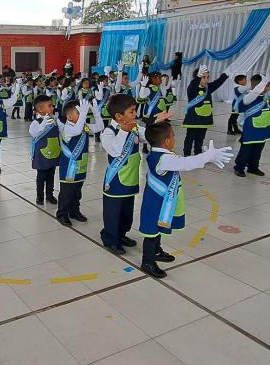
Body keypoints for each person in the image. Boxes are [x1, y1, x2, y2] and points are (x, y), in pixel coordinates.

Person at [139, 121, 233, 277]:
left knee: (157, 229)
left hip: (159, 201)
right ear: (167, 141)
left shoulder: (160, 154)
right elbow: (186, 163)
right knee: (152, 233)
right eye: (173, 136)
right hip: (155, 203)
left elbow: (182, 162)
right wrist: (207, 156)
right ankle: (147, 262)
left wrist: (206, 158)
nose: (174, 138)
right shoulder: (163, 159)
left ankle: (156, 251)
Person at [99, 93, 146, 255]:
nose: (135, 115)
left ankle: (121, 234)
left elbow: (148, 135)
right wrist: (125, 131)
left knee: (127, 210)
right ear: (119, 116)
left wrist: (157, 124)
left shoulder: (134, 127)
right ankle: (110, 238)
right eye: (132, 112)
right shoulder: (108, 132)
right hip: (116, 180)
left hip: (131, 177)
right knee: (113, 211)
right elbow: (116, 150)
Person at [54, 98, 105, 227]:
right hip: (69, 167)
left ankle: (74, 211)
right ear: (70, 116)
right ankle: (62, 214)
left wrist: (96, 112)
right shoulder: (68, 128)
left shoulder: (83, 126)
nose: (83, 114)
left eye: (83, 112)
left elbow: (100, 127)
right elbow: (77, 131)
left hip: (80, 165)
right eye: (79, 112)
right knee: (67, 192)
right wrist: (83, 114)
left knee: (77, 191)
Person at [182, 66, 229, 156]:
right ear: (198, 77)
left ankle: (198, 153)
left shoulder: (208, 88)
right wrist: (198, 77)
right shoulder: (192, 88)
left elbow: (218, 82)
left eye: (208, 77)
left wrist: (225, 75)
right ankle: (187, 154)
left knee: (200, 138)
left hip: (204, 118)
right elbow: (194, 84)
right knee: (190, 137)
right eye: (203, 77)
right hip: (193, 119)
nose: (206, 79)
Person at [28, 95, 62, 206]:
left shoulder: (54, 120)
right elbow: (33, 133)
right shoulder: (36, 122)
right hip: (42, 154)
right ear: (41, 109)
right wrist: (42, 125)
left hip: (53, 152)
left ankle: (50, 195)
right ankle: (40, 196)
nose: (53, 107)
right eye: (50, 106)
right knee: (41, 176)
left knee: (51, 176)